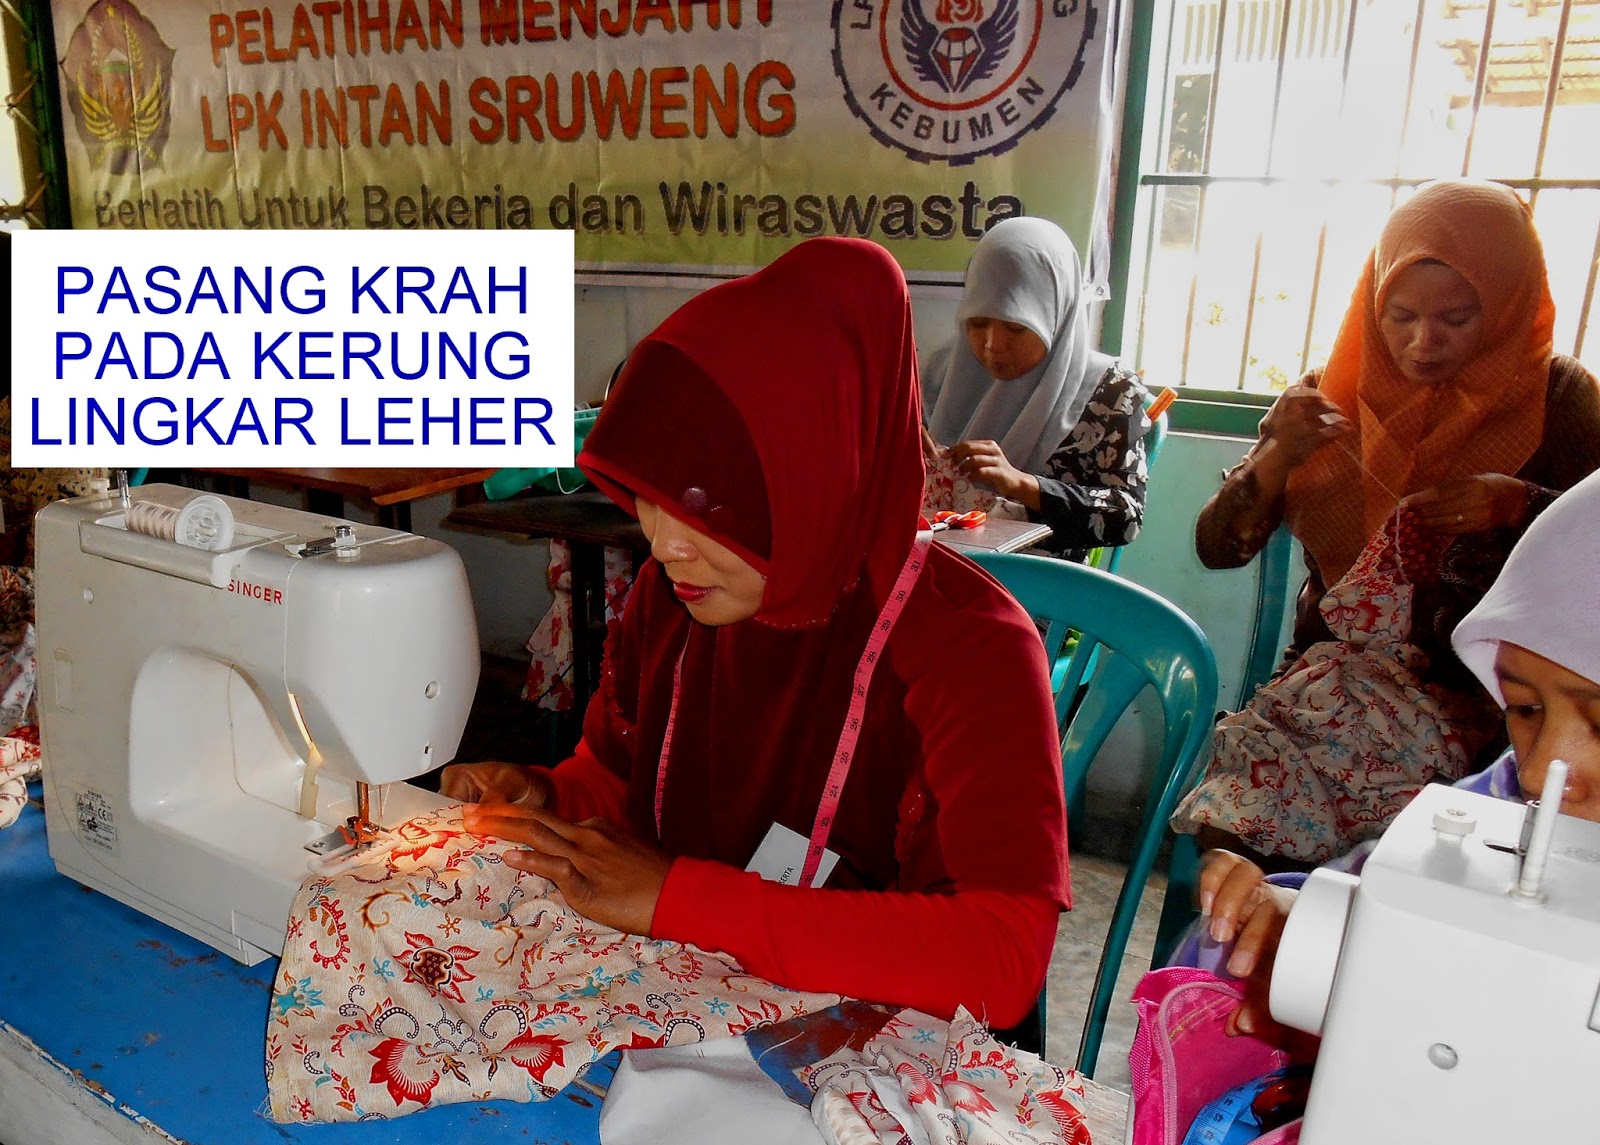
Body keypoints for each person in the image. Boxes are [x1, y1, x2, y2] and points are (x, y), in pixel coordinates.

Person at [440, 237, 1071, 1029]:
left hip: (889, 1044)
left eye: (704, 506)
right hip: (702, 999)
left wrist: (681, 898)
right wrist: (548, 799)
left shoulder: (971, 648)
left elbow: (999, 958)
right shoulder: (672, 603)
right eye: (649, 497)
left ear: (813, 475)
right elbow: (618, 777)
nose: (664, 543)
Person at [1172, 179, 1600, 867]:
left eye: (1456, 318)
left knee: (1410, 849)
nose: (1423, 341)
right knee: (1244, 817)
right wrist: (1277, 455)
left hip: (1486, 700)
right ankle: (1250, 928)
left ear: (1506, 303)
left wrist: (1520, 505)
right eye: (1400, 316)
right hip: (1329, 686)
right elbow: (1219, 547)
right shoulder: (1332, 393)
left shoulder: (1560, 401)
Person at [1192, 464, 1600, 1038]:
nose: (1537, 773)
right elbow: (1369, 901)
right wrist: (1295, 925)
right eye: (1525, 709)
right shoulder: (1496, 803)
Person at [921, 216, 1151, 560]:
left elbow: (1126, 516)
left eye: (1016, 328)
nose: (992, 345)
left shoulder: (1109, 391)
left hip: (1037, 584)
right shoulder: (938, 374)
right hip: (935, 569)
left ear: (1055, 316)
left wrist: (1023, 484)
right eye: (978, 323)